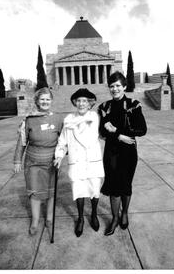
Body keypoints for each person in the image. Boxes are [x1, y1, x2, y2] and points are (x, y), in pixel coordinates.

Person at [98, 71, 147, 236]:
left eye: (118, 85)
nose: (114, 89)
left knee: (125, 185)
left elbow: (141, 129)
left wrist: (115, 130)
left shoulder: (133, 104)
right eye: (111, 86)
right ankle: (114, 218)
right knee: (113, 187)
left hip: (128, 153)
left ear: (124, 86)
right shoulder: (104, 107)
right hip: (111, 153)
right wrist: (120, 135)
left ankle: (124, 213)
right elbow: (102, 131)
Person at [54, 88, 104, 237]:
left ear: (90, 104)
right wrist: (59, 155)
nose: (82, 104)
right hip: (76, 161)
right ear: (75, 103)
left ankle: (94, 214)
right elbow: (62, 141)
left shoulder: (93, 117)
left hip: (92, 161)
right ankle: (81, 218)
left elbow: (87, 123)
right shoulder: (68, 119)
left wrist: (69, 122)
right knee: (79, 190)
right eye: (79, 101)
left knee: (94, 189)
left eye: (85, 101)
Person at [14, 87, 62, 235]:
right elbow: (22, 142)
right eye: (42, 99)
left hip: (51, 162)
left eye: (48, 99)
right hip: (33, 162)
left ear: (51, 101)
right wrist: (17, 161)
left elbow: (64, 141)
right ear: (37, 101)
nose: (45, 102)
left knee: (50, 192)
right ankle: (35, 220)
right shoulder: (29, 119)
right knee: (35, 192)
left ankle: (49, 218)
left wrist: (61, 155)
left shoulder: (58, 119)